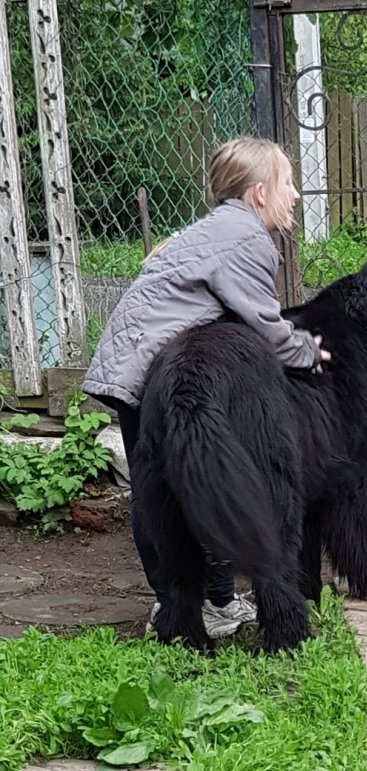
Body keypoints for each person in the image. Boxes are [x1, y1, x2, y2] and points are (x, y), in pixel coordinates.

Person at [83, 137, 331, 638]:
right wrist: (308, 350)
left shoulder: (215, 230)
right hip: (146, 372)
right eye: (289, 183)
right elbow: (264, 324)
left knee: (168, 484)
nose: (297, 196)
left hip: (135, 366)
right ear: (260, 193)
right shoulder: (246, 240)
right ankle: (185, 602)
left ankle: (202, 602)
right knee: (168, 483)